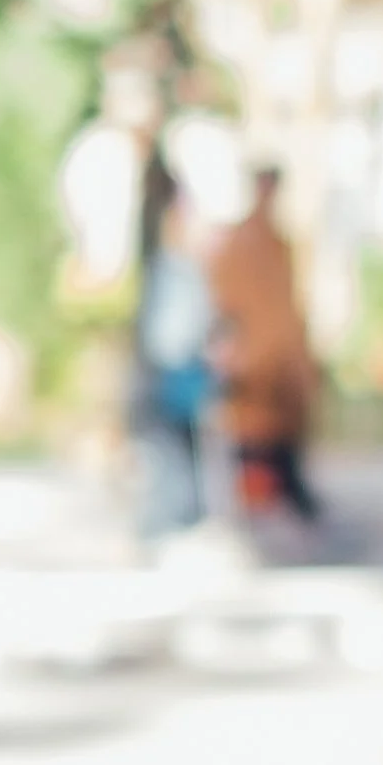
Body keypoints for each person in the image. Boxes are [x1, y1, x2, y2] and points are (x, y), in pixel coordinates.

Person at [209, 162, 321, 523]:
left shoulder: (280, 242)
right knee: (253, 441)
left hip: (281, 357)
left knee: (281, 440)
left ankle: (285, 503)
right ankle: (259, 509)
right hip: (252, 358)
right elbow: (224, 302)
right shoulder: (239, 242)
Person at [129, 154, 216, 538]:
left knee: (179, 436)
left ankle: (183, 510)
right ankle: (177, 510)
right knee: (171, 438)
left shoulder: (178, 257)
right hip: (171, 354)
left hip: (177, 356)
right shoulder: (167, 258)